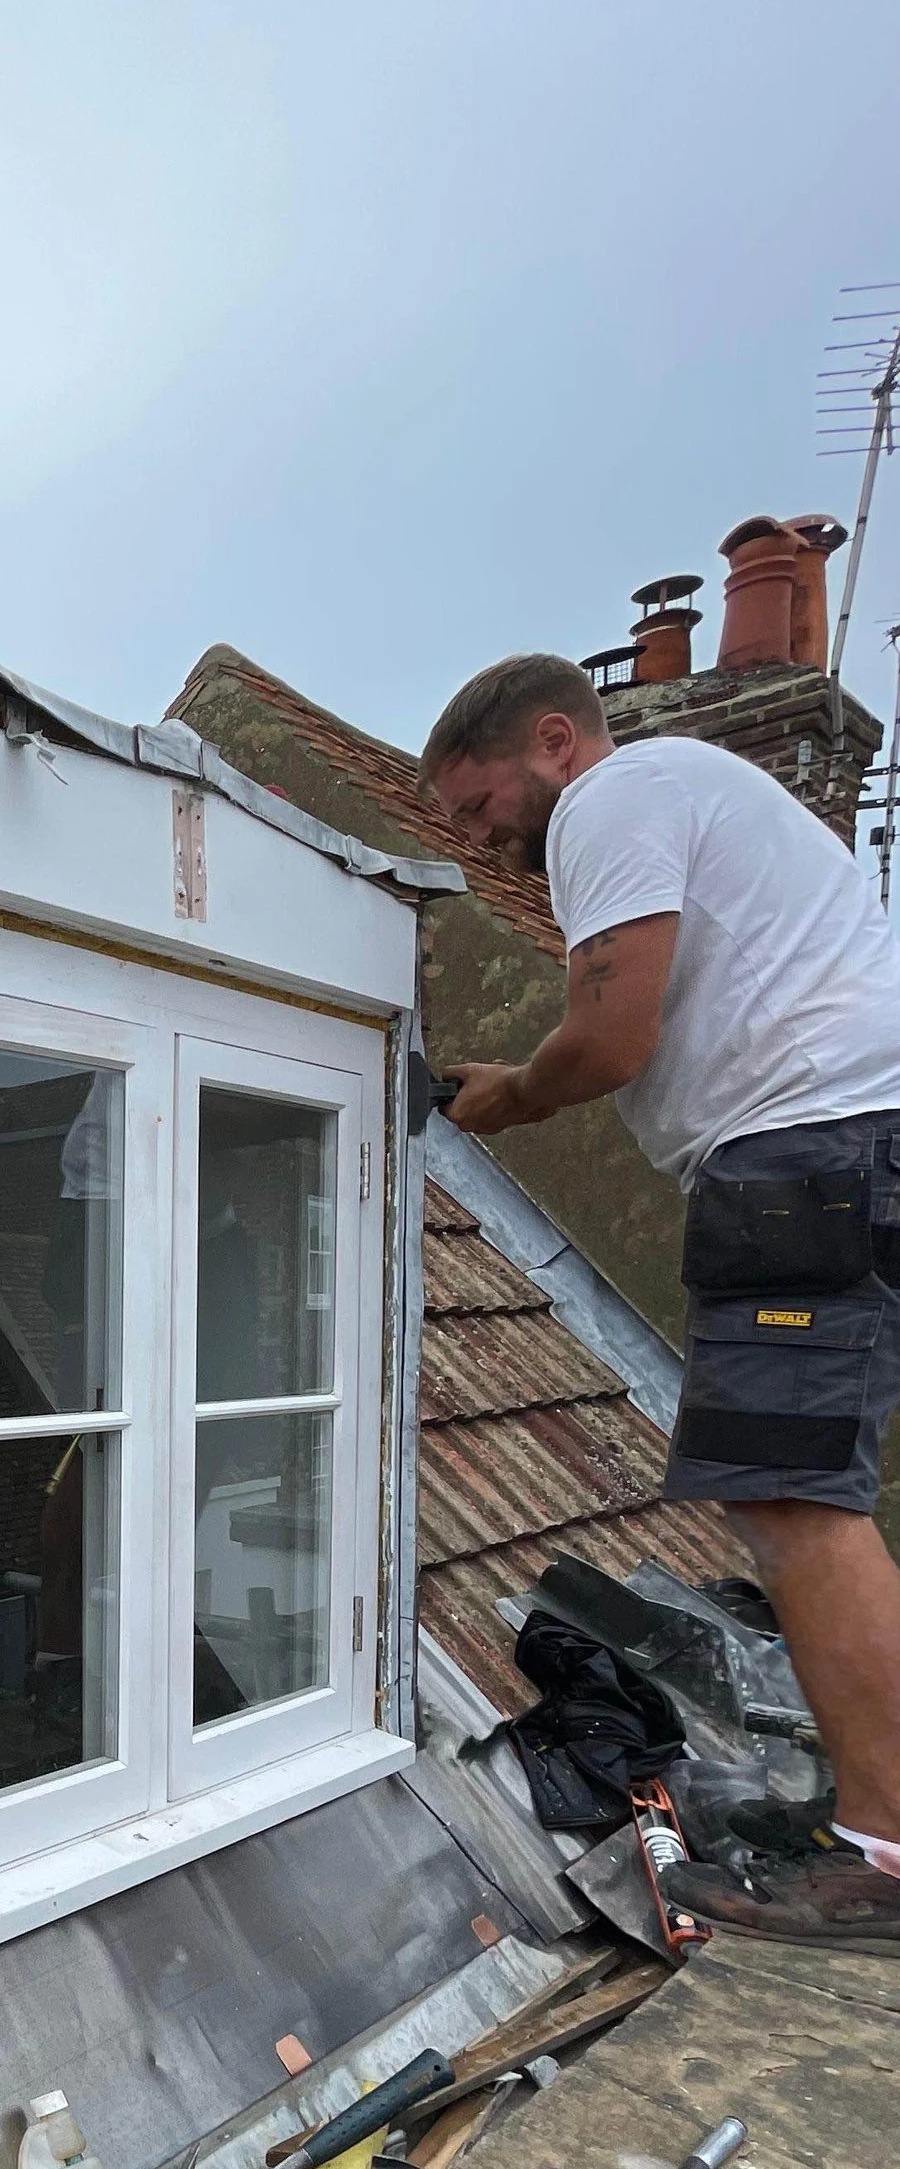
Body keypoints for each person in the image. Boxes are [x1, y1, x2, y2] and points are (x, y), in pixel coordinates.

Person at [420, 654, 900, 1947]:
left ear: (557, 744)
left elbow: (615, 1036)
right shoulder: (682, 794)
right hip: (840, 1146)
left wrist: (514, 1092)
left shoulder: (611, 801)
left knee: (796, 1502)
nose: (477, 844)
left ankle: (887, 1856)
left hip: (804, 1152)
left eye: (478, 810)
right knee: (797, 1494)